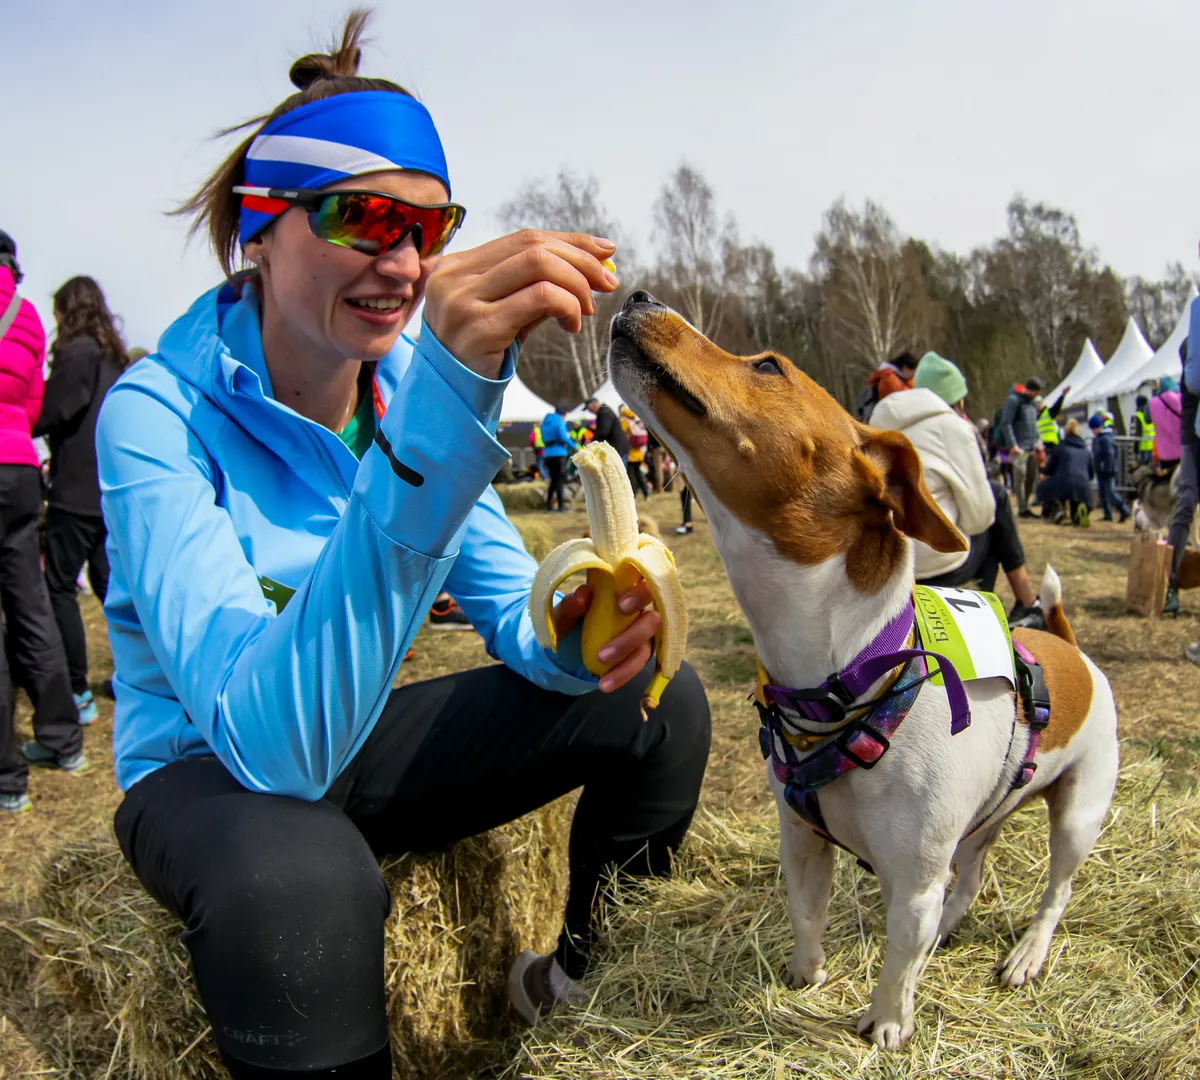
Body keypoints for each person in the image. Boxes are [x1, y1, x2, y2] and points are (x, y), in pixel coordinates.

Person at [96, 16, 710, 1079]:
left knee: (657, 697)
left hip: (351, 736)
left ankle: (574, 990)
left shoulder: (393, 395)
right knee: (302, 869)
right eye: (364, 218)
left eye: (431, 227)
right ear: (260, 226)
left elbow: (509, 607)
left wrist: (575, 633)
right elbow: (270, 751)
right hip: (211, 769)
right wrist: (437, 415)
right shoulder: (154, 415)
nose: (404, 259)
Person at [0, 231, 88, 813]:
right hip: (20, 471)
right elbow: (32, 406)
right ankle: (62, 739)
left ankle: (7, 779)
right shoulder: (25, 313)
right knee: (31, 606)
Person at [869, 352, 1042, 625]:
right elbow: (980, 519)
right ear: (957, 398)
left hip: (889, 568)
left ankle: (1024, 604)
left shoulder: (876, 426)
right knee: (996, 499)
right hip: (937, 568)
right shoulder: (955, 428)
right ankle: (1016, 607)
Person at [34, 277, 127, 725]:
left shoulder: (77, 353)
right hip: (110, 490)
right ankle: (130, 678)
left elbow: (54, 411)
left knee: (59, 588)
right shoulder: (116, 357)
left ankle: (76, 690)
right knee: (114, 591)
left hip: (75, 492)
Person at [1165, 321, 1199, 616]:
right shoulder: (1192, 341)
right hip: (1194, 436)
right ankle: (1169, 584)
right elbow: (1194, 382)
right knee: (1187, 500)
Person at [998, 376, 1043, 517]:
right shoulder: (1013, 400)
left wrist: (1038, 440)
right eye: (1035, 392)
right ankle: (1022, 508)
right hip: (1018, 447)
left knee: (1031, 476)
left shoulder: (1031, 404)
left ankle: (1026, 505)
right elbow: (1006, 423)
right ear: (1029, 390)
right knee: (1019, 477)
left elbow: (1033, 424)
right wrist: (1013, 444)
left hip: (1031, 446)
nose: (1036, 395)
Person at [1039, 418, 1095, 527]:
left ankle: (1058, 511)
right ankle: (1078, 514)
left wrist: (1041, 468)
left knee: (1044, 488)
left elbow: (1049, 470)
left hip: (1064, 484)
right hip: (1083, 487)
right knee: (1076, 497)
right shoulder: (1086, 450)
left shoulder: (1059, 448)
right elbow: (1091, 474)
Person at [1085, 413, 1128, 524]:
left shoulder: (1105, 439)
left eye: (1093, 428)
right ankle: (1107, 514)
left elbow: (1109, 454)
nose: (1092, 431)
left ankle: (1124, 510)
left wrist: (1106, 467)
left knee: (1110, 493)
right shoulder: (1100, 438)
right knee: (1103, 493)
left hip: (1107, 470)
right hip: (1101, 469)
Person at [857, 351, 916, 421]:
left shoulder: (899, 378)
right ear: (905, 368)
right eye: (913, 371)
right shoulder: (888, 378)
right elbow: (902, 397)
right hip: (885, 418)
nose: (913, 375)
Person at [540, 402, 574, 512]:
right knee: (560, 480)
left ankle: (549, 505)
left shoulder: (545, 421)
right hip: (559, 453)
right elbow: (563, 437)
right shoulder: (559, 421)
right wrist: (575, 446)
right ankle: (560, 506)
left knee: (554, 480)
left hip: (548, 453)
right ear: (564, 413)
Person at [1149, 375, 1182, 473]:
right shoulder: (1181, 399)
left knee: (1166, 481)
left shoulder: (1153, 403)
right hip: (1182, 450)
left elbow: (1147, 419)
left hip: (1163, 453)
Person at [622, 405, 650, 499]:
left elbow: (622, 436)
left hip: (629, 453)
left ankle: (632, 494)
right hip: (639, 453)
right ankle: (646, 492)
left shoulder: (624, 422)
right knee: (639, 473)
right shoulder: (636, 420)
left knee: (631, 474)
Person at [1130, 394, 1155, 465]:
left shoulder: (1138, 416)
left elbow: (1137, 434)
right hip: (1152, 447)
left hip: (1144, 448)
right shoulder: (1150, 414)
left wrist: (1135, 449)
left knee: (1144, 470)